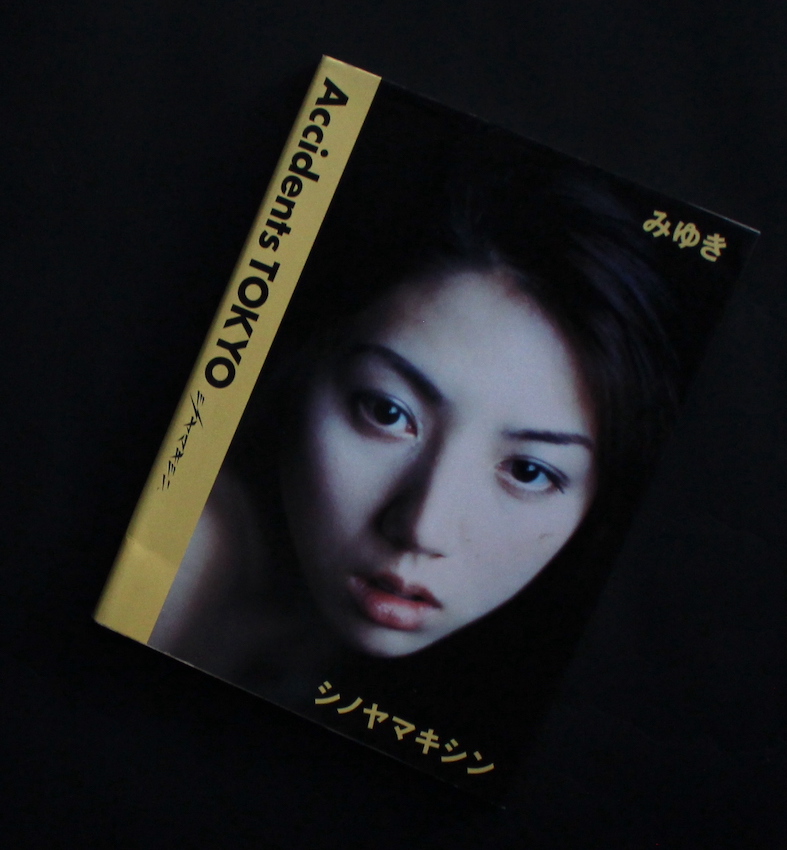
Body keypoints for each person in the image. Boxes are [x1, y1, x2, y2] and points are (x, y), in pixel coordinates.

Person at [149, 134, 682, 719]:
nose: (423, 529)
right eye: (386, 412)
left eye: (529, 472)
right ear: (302, 365)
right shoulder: (189, 550)